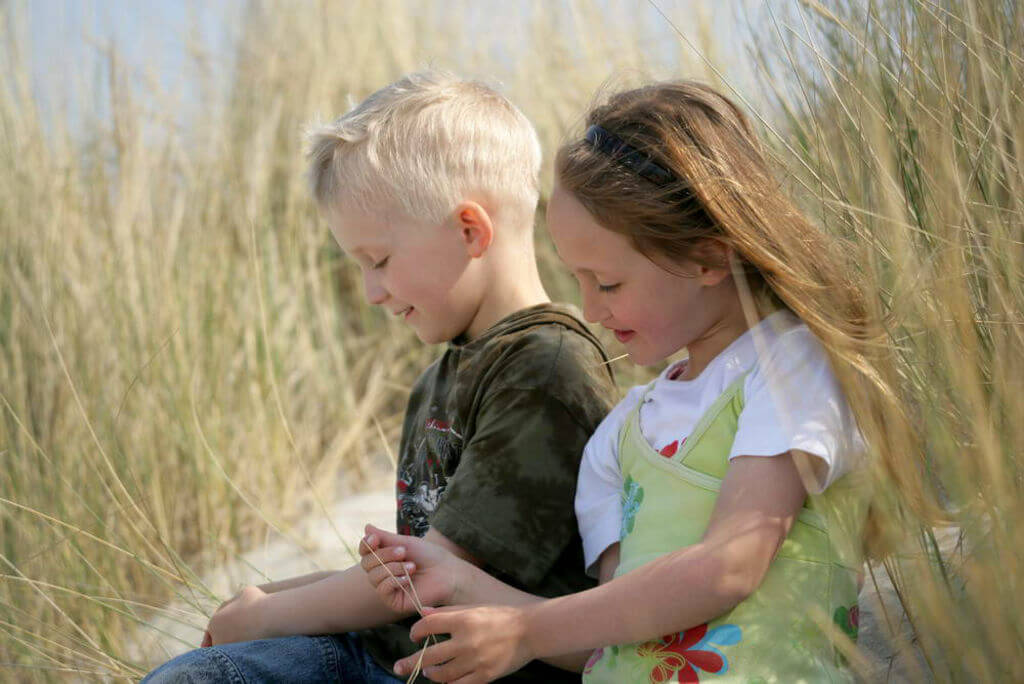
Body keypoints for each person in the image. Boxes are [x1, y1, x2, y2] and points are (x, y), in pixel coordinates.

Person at [360, 80, 884, 683]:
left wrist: (526, 630)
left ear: (707, 259)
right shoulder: (621, 433)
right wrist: (463, 583)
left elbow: (730, 565)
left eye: (607, 283)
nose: (589, 308)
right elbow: (610, 638)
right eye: (576, 279)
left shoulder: (789, 367)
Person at [142, 70, 616, 683]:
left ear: (470, 230)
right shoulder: (440, 378)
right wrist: (265, 595)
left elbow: (436, 574)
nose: (370, 292)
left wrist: (270, 616)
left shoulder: (544, 369)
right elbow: (397, 570)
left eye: (380, 261)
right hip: (385, 654)